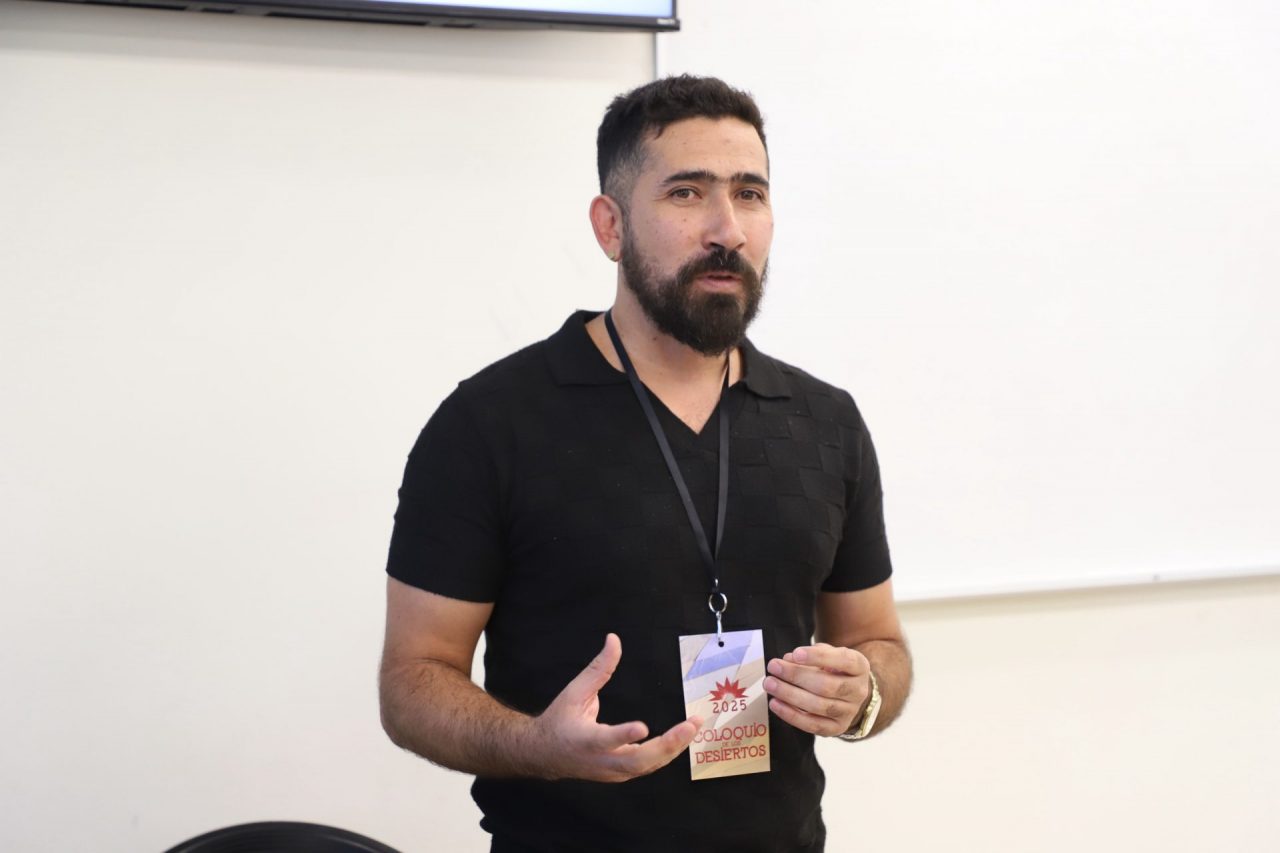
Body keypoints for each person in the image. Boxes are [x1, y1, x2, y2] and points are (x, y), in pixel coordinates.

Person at [379, 75, 912, 853]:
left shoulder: (826, 422)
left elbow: (879, 642)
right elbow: (411, 681)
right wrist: (536, 745)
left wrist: (864, 694)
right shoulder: (490, 422)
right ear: (610, 225)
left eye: (750, 194)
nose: (727, 229)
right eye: (687, 193)